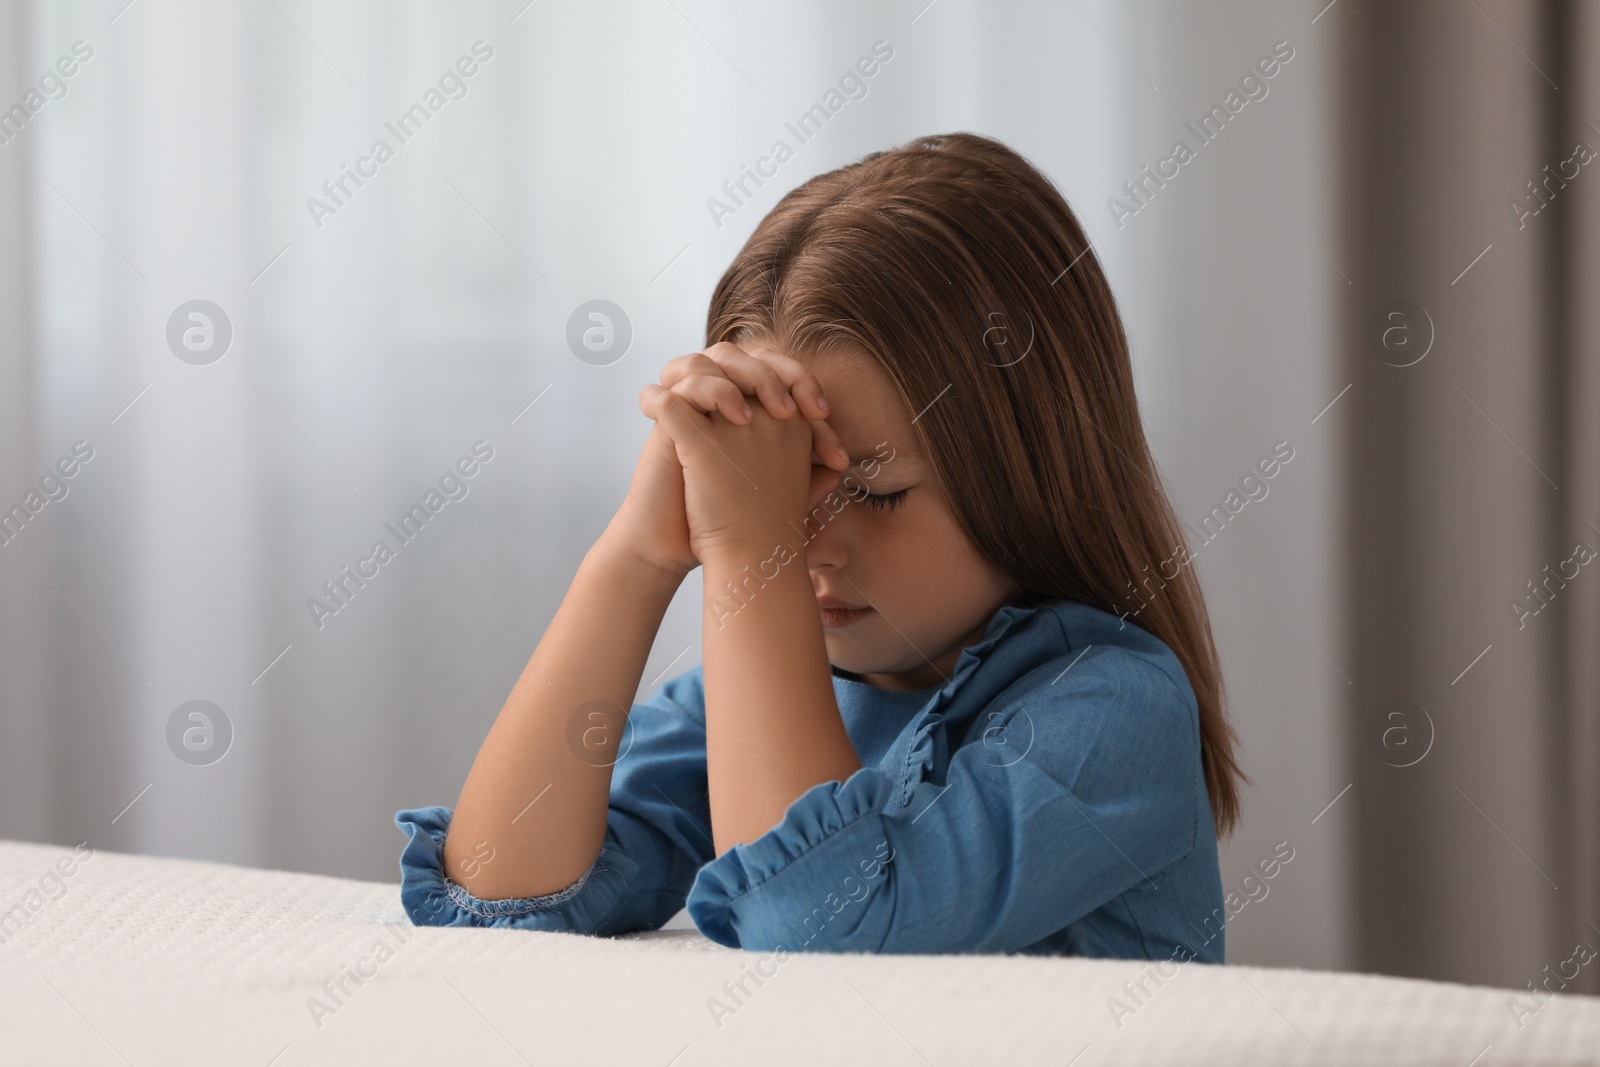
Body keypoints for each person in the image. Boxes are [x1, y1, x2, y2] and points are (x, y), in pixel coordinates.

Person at [395, 131, 1245, 960]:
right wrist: (635, 557)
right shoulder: (757, 702)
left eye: (875, 491)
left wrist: (745, 545)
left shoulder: (1115, 712)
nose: (809, 551)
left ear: (1033, 465)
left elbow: (817, 935)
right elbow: (498, 892)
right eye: (774, 493)